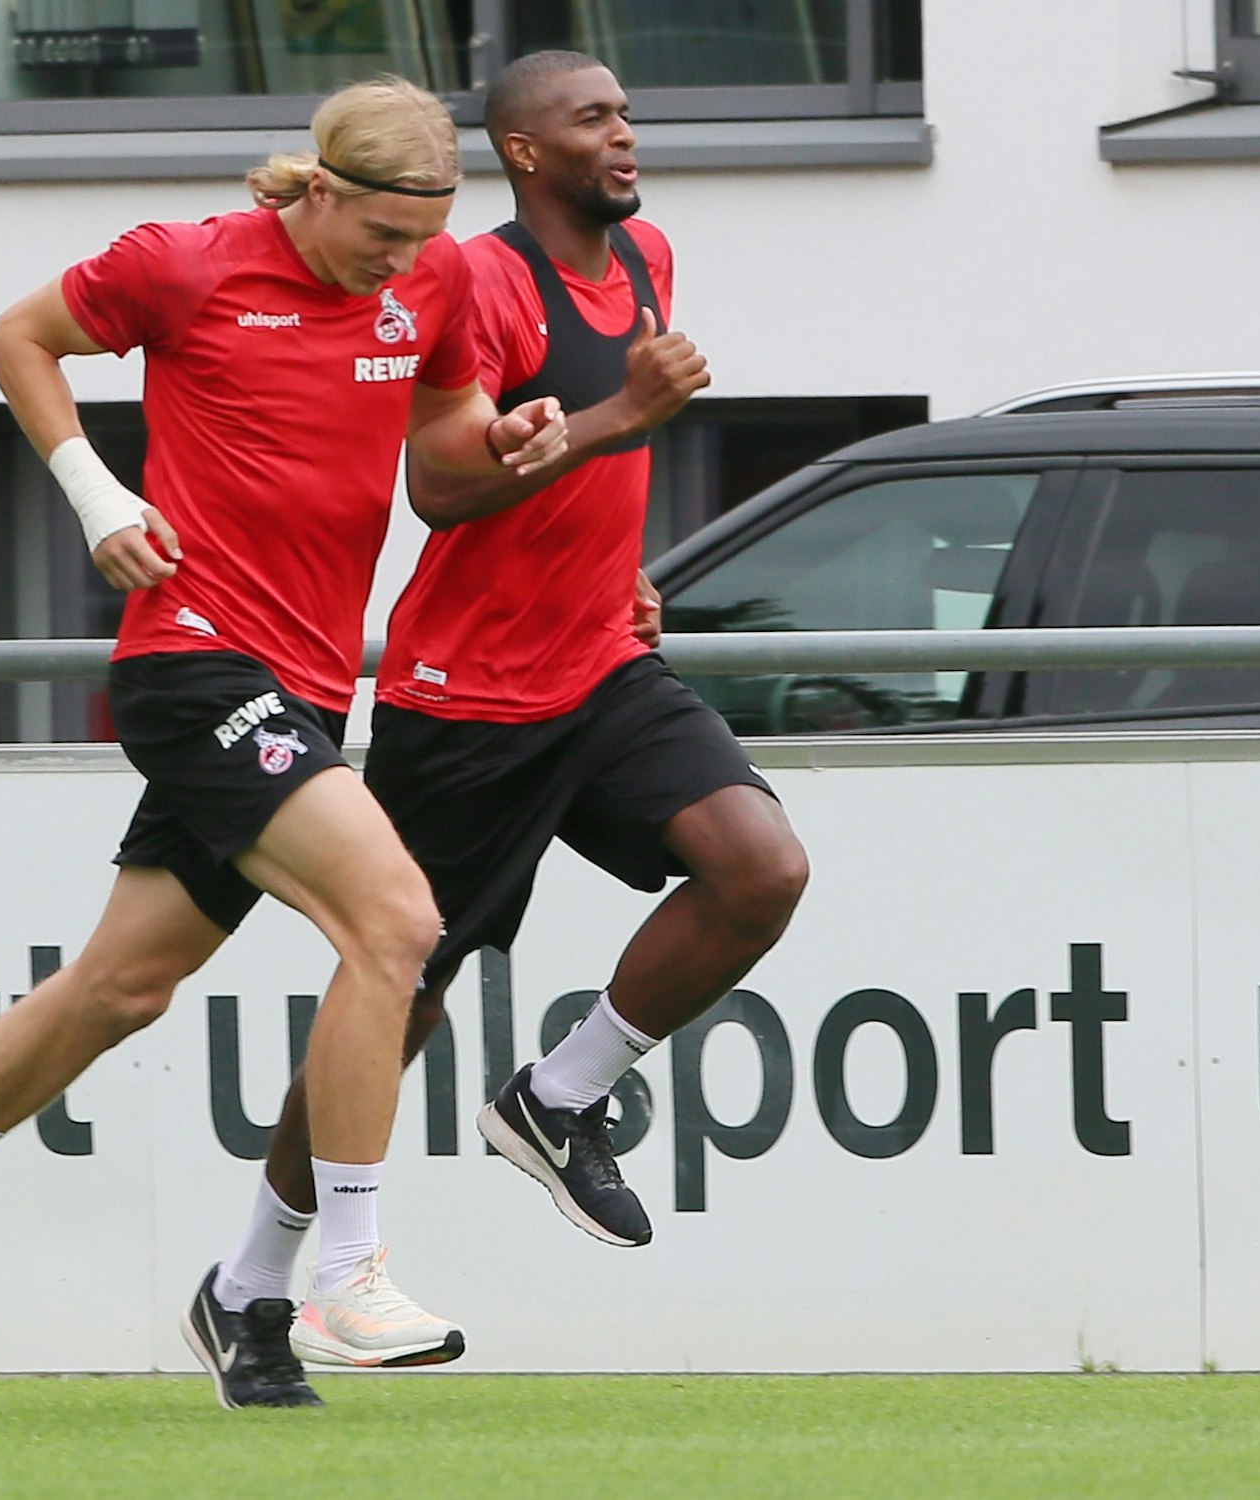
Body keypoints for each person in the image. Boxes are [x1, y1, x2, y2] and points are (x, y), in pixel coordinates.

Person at [0, 75, 567, 1411]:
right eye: (383, 236)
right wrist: (97, 494)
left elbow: (439, 432)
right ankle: (340, 1270)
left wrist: (497, 438)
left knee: (119, 990)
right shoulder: (186, 265)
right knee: (396, 924)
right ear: (319, 188)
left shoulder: (433, 282)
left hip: (307, 687)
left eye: (422, 239)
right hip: (193, 658)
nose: (405, 262)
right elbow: (19, 337)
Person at [208, 50, 810, 1374]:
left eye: (628, 112)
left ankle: (560, 1095)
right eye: (594, 118)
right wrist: (622, 414)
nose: (625, 133)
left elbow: (584, 482)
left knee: (760, 869)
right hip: (467, 697)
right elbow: (440, 486)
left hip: (599, 664)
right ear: (529, 153)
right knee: (401, 997)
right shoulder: (474, 278)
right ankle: (252, 1284)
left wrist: (625, 568)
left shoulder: (647, 255)